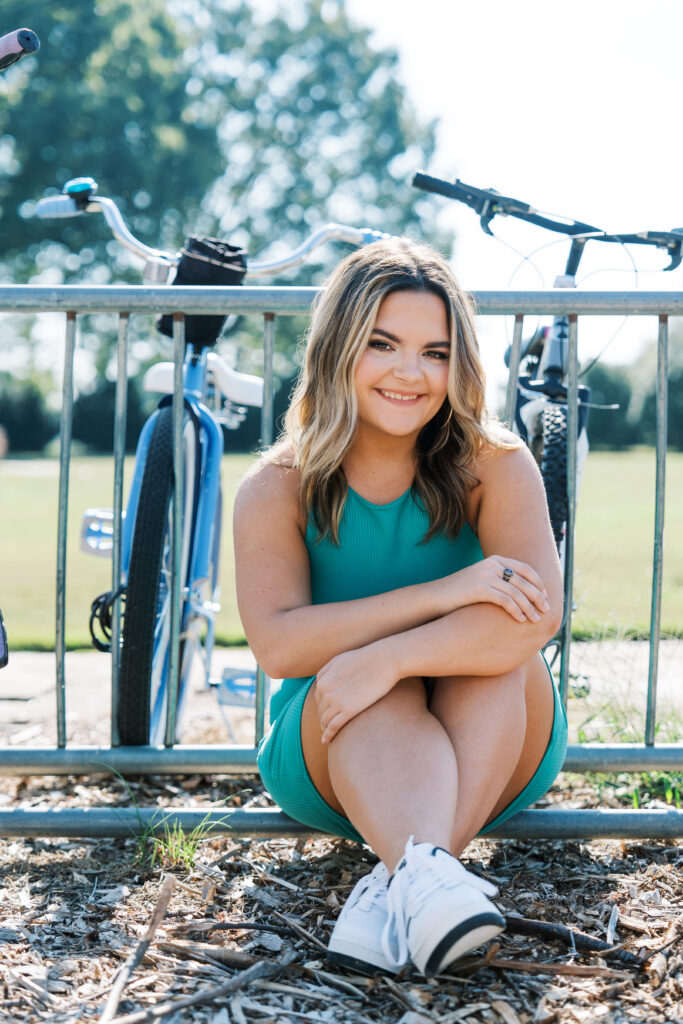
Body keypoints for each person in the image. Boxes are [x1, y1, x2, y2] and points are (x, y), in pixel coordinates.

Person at [233, 238, 568, 978]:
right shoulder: (275, 485)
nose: (409, 373)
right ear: (337, 348)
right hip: (334, 743)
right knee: (374, 689)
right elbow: (280, 647)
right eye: (382, 344)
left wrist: (388, 656)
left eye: (435, 352)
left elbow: (535, 616)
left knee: (496, 658)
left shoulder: (496, 464)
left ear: (459, 365)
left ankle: (404, 885)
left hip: (496, 742)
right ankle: (425, 882)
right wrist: (440, 596)